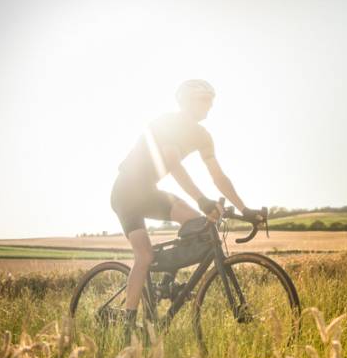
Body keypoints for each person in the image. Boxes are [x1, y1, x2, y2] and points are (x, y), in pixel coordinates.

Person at [110, 79, 259, 340]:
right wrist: (202, 199)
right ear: (186, 101)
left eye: (211, 101)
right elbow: (172, 163)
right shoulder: (167, 123)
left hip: (149, 190)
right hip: (126, 191)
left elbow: (218, 176)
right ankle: (127, 326)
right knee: (144, 255)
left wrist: (244, 208)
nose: (209, 106)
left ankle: (166, 284)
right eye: (204, 100)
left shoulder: (203, 136)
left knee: (195, 221)